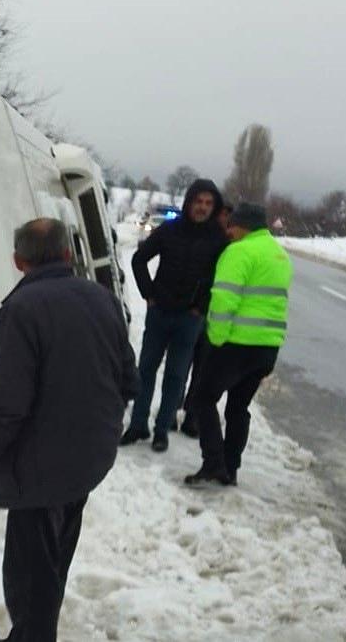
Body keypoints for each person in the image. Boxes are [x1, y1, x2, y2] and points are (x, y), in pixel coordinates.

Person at [0, 218, 138, 642]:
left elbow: (8, 406)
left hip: (40, 468)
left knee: (30, 574)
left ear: (18, 261)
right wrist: (98, 421)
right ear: (68, 255)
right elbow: (129, 378)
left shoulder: (20, 312)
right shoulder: (102, 299)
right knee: (53, 558)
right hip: (88, 457)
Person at [184, 203, 292, 486]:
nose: (228, 231)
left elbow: (223, 300)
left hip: (235, 343)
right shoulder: (279, 254)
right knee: (238, 407)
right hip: (267, 348)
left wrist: (216, 339)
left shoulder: (239, 251)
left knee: (202, 399)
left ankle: (213, 464)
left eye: (232, 225)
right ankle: (231, 468)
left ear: (244, 225)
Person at [120, 179, 227, 452]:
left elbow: (222, 279)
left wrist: (201, 307)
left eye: (208, 203)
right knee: (145, 370)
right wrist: (149, 294)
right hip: (160, 313)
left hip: (189, 320)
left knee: (175, 376)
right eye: (198, 202)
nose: (202, 208)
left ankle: (161, 431)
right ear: (189, 202)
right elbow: (138, 259)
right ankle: (138, 425)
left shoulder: (218, 240)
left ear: (213, 207)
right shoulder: (170, 230)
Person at [179, 203, 236, 437]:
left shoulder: (233, 247)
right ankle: (173, 409)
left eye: (228, 218)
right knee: (181, 365)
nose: (225, 220)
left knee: (202, 371)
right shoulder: (206, 239)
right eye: (222, 215)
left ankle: (191, 415)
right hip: (193, 312)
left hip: (214, 319)